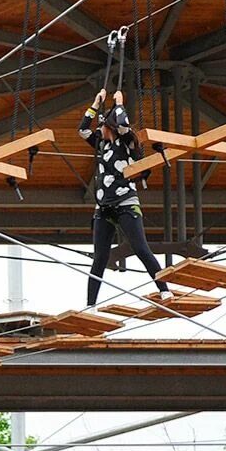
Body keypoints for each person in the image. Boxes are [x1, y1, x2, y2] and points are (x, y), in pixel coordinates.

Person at [77, 89, 169, 309]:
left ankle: (164, 289)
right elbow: (82, 130)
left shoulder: (126, 142)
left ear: (109, 127)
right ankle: (91, 305)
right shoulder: (101, 145)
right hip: (103, 208)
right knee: (99, 258)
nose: (98, 129)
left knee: (140, 248)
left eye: (102, 126)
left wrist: (119, 103)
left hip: (125, 203)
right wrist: (95, 103)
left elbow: (124, 125)